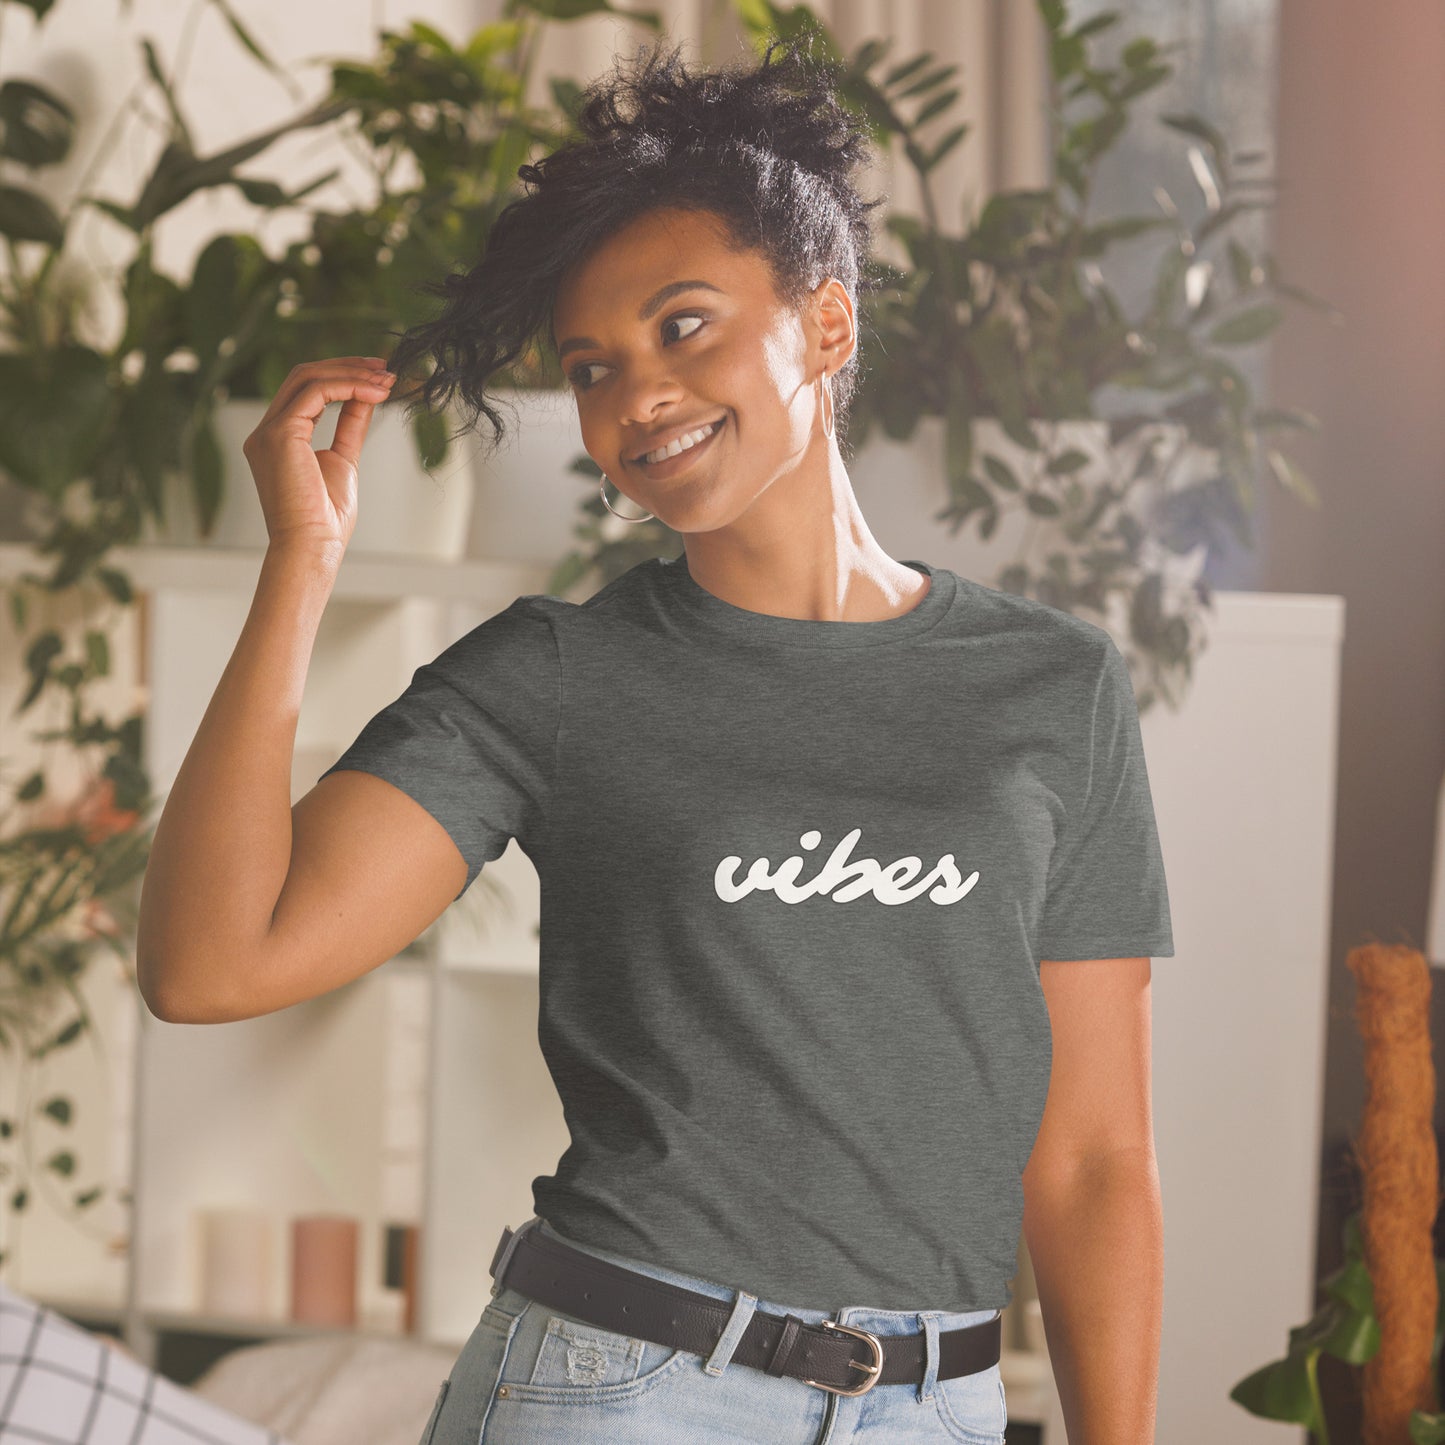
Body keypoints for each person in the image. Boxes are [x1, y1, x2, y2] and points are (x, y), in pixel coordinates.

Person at [136, 29, 1175, 1445]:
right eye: (590, 367)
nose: (634, 399)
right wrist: (300, 567)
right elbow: (210, 962)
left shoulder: (1052, 687)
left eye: (681, 325)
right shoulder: (554, 678)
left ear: (825, 323)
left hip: (939, 1408)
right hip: (618, 1390)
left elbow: (1096, 1157)